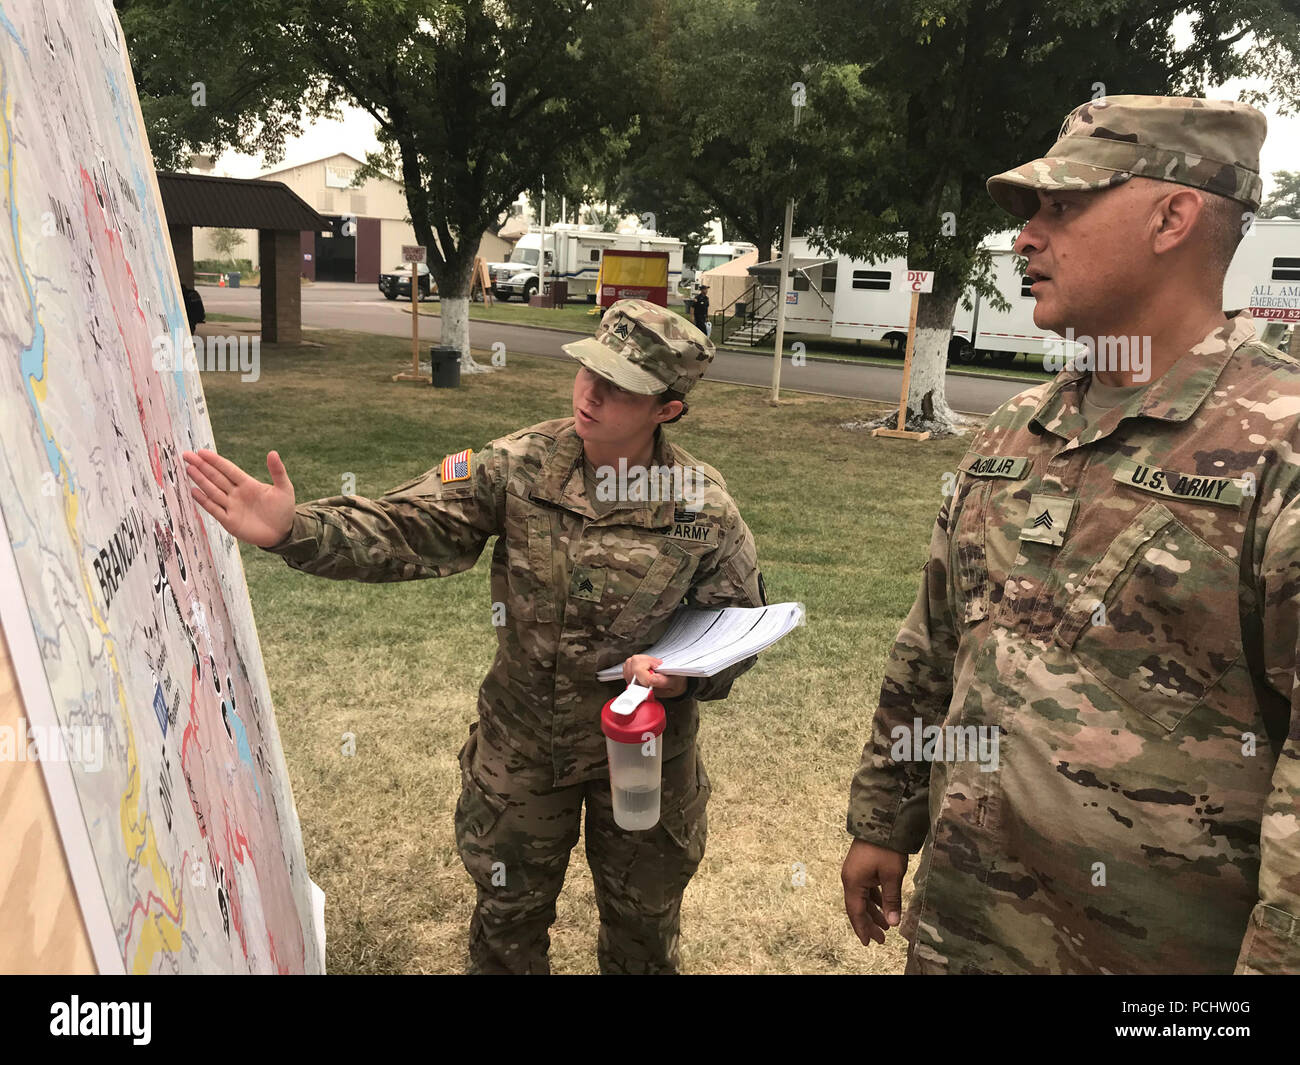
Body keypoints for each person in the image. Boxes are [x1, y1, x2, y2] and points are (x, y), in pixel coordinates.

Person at [842, 95, 1300, 975]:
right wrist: (882, 817)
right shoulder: (1016, 426)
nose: (1025, 237)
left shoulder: (1278, 446)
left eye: (1063, 207)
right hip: (965, 933)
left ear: (1173, 215)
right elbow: (937, 643)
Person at [182, 298, 766, 975]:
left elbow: (737, 625)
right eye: (590, 370)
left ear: (668, 408)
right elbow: (409, 524)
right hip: (522, 749)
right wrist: (297, 528)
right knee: (505, 925)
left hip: (644, 757)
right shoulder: (517, 466)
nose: (592, 392)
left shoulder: (701, 505)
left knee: (643, 932)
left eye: (622, 386)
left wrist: (686, 675)